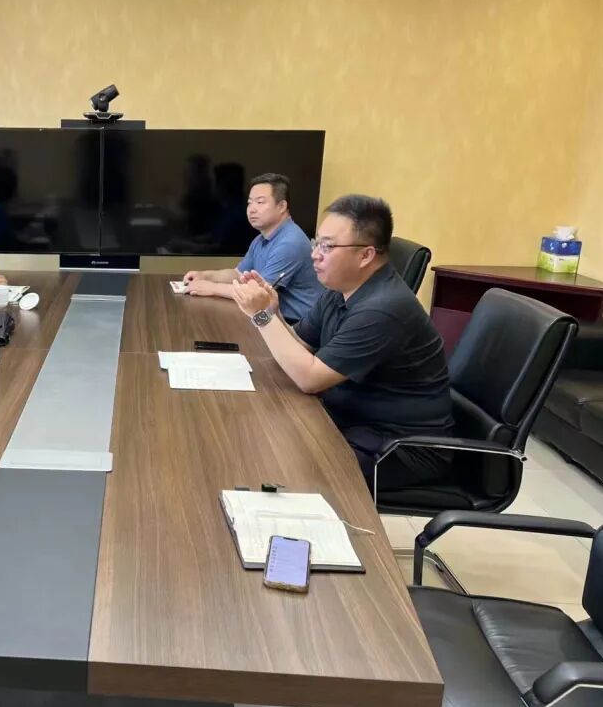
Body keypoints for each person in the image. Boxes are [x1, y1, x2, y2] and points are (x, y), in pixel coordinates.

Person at [229, 194, 453, 491]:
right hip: (353, 422)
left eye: (327, 247)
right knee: (256, 430)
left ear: (366, 255)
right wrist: (273, 312)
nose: (315, 255)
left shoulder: (383, 309)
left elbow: (310, 378)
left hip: (399, 448)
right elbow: (301, 345)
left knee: (277, 461)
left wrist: (261, 317)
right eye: (316, 243)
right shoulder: (341, 289)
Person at [183, 173, 323, 323]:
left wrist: (210, 288)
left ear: (282, 206)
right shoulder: (261, 238)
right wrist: (205, 276)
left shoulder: (290, 242)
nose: (251, 209)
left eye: (260, 202)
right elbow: (238, 274)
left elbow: (256, 294)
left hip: (296, 324)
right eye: (250, 203)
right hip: (270, 315)